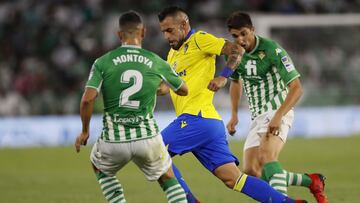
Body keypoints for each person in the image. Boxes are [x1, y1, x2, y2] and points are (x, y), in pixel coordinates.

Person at [157, 6, 306, 203]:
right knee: (234, 178)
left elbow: (236, 50)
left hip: (197, 118)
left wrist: (223, 77)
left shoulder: (199, 39)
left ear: (184, 25)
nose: (167, 36)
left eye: (170, 30)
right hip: (209, 124)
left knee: (155, 152)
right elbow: (166, 87)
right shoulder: (172, 55)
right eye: (163, 32)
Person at [75, 11, 190, 203]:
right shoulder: (156, 61)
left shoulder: (102, 62)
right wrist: (157, 87)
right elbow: (183, 90)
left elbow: (87, 99)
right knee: (168, 178)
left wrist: (85, 131)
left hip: (113, 140)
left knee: (99, 167)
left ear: (119, 35)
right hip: (147, 137)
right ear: (143, 32)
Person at [225, 12, 328, 203]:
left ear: (253, 30)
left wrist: (278, 116)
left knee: (266, 158)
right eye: (235, 36)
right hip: (257, 116)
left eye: (243, 34)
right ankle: (311, 181)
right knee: (251, 171)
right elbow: (235, 82)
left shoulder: (272, 49)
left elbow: (297, 88)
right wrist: (234, 114)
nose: (240, 40)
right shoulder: (234, 54)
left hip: (277, 110)